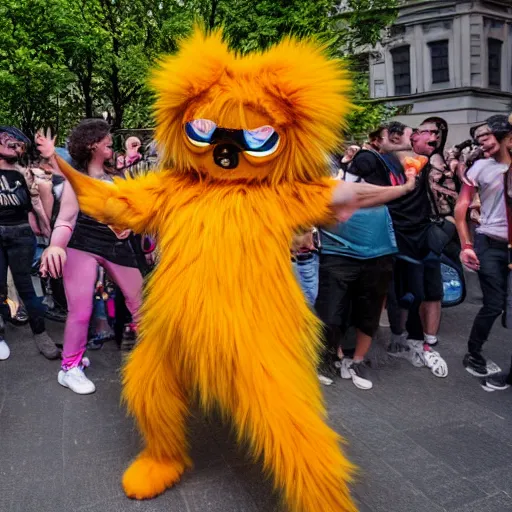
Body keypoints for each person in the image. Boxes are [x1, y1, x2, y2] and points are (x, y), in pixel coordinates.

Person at [37, 120, 144, 394]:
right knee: (81, 310)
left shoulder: (118, 177)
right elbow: (66, 218)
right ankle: (69, 368)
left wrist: (131, 225)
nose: (110, 138)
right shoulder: (77, 181)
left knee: (142, 306)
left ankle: (155, 361)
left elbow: (132, 213)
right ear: (90, 144)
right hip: (81, 245)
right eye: (104, 136)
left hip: (116, 247)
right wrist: (56, 245)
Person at [455, 115, 512, 377]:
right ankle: (473, 353)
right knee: (494, 304)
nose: (481, 144)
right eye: (478, 140)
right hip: (489, 243)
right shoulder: (479, 168)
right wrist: (466, 244)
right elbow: (461, 207)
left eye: (485, 138)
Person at [0, 126, 59, 361]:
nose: (13, 146)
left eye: (17, 144)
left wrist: (49, 232)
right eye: (7, 141)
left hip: (21, 234)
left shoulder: (25, 174)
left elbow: (35, 204)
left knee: (26, 287)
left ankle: (41, 334)